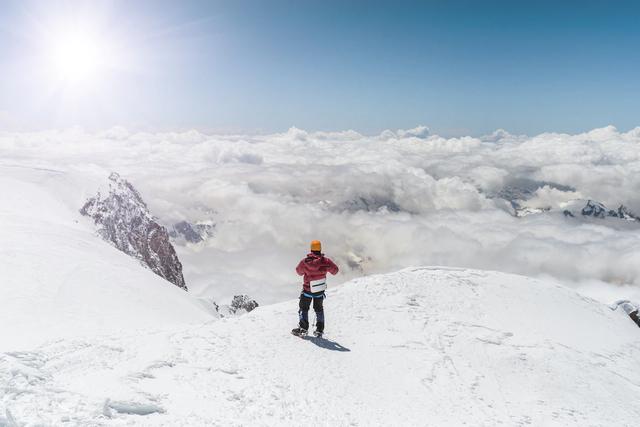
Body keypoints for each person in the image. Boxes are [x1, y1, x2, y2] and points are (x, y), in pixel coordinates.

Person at [291, 240, 339, 337]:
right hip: (319, 291)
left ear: (311, 249)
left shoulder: (305, 262)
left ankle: (303, 329)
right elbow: (335, 271)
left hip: (307, 291)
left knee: (303, 308)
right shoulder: (326, 261)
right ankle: (319, 330)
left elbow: (298, 272)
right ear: (320, 249)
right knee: (319, 309)